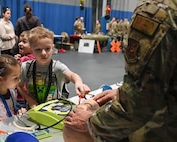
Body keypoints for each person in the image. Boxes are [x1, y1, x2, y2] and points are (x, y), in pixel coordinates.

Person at [63, 0, 177, 142]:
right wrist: (121, 92)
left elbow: (138, 104)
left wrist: (91, 122)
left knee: (73, 129)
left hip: (164, 131)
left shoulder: (157, 12)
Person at [17, 26, 90, 109]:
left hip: (54, 110)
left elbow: (72, 75)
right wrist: (30, 100)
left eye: (47, 49)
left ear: (52, 48)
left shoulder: (57, 67)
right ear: (31, 50)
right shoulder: (26, 67)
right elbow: (19, 85)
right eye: (38, 49)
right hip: (33, 109)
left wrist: (78, 83)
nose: (43, 53)